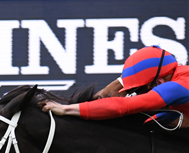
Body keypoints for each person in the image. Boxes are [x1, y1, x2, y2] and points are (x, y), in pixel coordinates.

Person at [42, 45, 188, 128]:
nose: (140, 94)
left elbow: (123, 107)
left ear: (158, 82)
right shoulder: (173, 74)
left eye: (143, 90)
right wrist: (120, 83)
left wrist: (64, 109)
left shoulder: (177, 87)